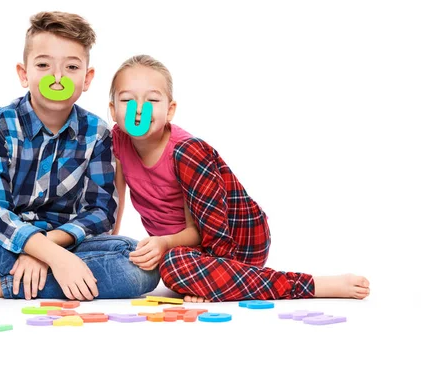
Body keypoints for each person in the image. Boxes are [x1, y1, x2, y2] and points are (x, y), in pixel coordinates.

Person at [0, 12, 159, 301]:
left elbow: (99, 213)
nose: (57, 78)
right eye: (44, 65)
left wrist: (48, 249)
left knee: (141, 268)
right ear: (24, 74)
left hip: (65, 244)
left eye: (71, 67)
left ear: (87, 78)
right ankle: (30, 275)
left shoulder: (97, 133)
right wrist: (45, 254)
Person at [108, 54, 370, 303]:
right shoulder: (118, 140)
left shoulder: (186, 152)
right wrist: (110, 246)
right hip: (186, 250)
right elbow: (116, 201)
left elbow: (203, 232)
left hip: (231, 240)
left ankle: (313, 285)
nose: (138, 109)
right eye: (127, 100)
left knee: (174, 267)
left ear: (171, 109)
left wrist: (179, 253)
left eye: (152, 100)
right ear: (112, 109)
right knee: (162, 266)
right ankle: (209, 279)